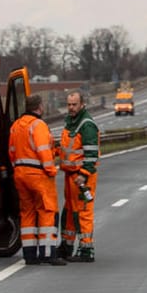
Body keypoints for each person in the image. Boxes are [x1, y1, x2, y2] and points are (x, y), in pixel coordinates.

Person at [8, 93, 64, 266]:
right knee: (47, 211)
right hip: (38, 175)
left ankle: (29, 255)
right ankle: (48, 253)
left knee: (27, 213)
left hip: (20, 173)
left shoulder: (16, 126)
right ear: (39, 107)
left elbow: (11, 151)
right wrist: (51, 170)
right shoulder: (38, 125)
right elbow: (43, 150)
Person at [58, 89, 101, 262]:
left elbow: (91, 153)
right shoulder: (71, 122)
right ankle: (67, 246)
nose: (71, 108)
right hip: (70, 175)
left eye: (74, 104)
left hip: (82, 177)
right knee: (69, 211)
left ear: (82, 104)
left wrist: (84, 173)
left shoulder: (86, 125)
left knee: (83, 212)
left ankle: (86, 250)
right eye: (69, 104)